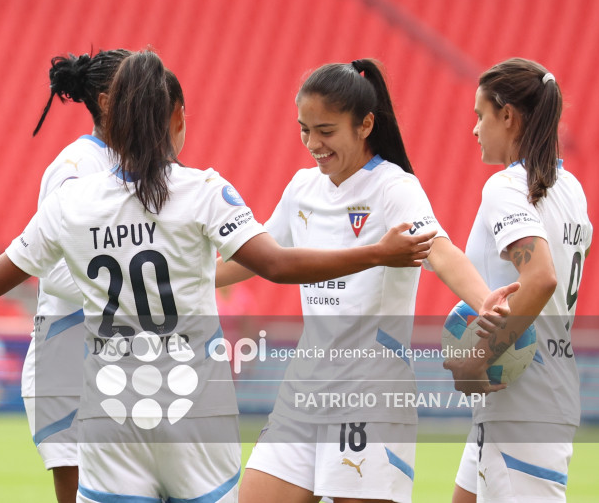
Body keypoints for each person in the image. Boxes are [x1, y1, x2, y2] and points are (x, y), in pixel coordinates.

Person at [0, 50, 440, 502]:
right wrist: (375, 254)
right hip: (193, 409)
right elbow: (275, 264)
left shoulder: (72, 202)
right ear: (176, 115)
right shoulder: (203, 191)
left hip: (113, 412)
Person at [215, 59, 517, 503]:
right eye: (305, 129)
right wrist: (179, 281)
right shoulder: (301, 188)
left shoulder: (394, 189)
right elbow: (260, 257)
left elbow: (440, 251)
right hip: (303, 392)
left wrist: (485, 301)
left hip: (370, 397)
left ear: (365, 125)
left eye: (326, 130)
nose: (313, 144)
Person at [445, 58, 592, 503]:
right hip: (538, 390)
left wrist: (477, 358)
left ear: (506, 116)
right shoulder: (571, 188)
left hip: (522, 398)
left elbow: (542, 277)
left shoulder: (506, 187)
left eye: (479, 115)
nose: (474, 129)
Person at [24, 48, 131, 503]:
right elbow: (51, 270)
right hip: (68, 365)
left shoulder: (133, 165)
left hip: (115, 362)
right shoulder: (77, 169)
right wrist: (131, 291)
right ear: (107, 102)